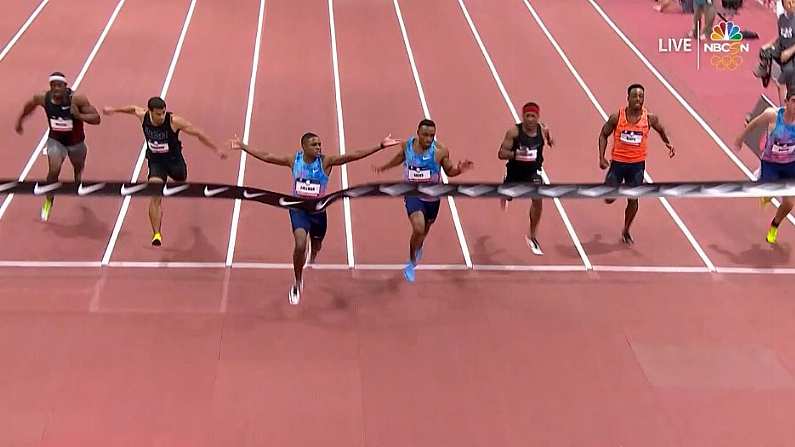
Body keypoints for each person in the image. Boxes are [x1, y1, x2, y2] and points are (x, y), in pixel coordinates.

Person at [229, 132, 401, 305]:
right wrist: (244, 147)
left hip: (318, 212)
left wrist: (379, 146)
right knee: (300, 244)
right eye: (314, 144)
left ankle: (314, 253)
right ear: (303, 147)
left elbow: (352, 156)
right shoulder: (294, 160)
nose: (319, 147)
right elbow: (267, 157)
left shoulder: (326, 162)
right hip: (298, 210)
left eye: (320, 144)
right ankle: (297, 281)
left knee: (317, 245)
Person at [102, 97, 225, 246]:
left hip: (174, 162)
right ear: (150, 112)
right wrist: (114, 110)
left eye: (163, 112)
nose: (162, 116)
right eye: (158, 114)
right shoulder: (143, 116)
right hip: (156, 162)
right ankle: (157, 234)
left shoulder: (173, 121)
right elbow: (133, 109)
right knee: (155, 194)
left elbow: (198, 132)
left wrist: (216, 149)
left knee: (181, 179)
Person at [373, 119, 474, 282]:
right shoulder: (407, 146)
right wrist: (384, 167)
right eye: (425, 135)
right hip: (413, 194)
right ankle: (411, 262)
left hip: (433, 197)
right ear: (418, 133)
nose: (428, 139)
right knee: (418, 229)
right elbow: (400, 158)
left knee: (424, 231)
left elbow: (450, 171)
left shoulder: (440, 151)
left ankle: (418, 246)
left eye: (432, 136)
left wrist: (460, 169)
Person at [15, 72, 101, 221]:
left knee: (78, 167)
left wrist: (79, 116)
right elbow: (29, 106)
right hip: (56, 141)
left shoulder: (77, 99)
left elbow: (96, 118)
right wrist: (20, 121)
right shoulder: (43, 98)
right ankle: (49, 200)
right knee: (54, 169)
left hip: (76, 143)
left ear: (65, 87)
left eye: (59, 85)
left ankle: (77, 179)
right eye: (53, 86)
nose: (56, 89)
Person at [598, 84, 675, 245]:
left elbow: (661, 130)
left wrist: (668, 143)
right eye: (635, 96)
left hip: (637, 166)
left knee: (633, 200)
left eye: (641, 96)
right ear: (628, 98)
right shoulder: (616, 117)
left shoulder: (649, 118)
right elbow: (603, 135)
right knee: (609, 198)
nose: (638, 99)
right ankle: (614, 192)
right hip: (618, 164)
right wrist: (601, 157)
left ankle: (626, 229)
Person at [733, 89, 795, 244]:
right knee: (769, 190)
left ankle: (774, 226)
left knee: (789, 203)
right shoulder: (772, 115)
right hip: (771, 164)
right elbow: (754, 123)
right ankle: (766, 189)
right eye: (794, 100)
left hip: (790, 165)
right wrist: (741, 137)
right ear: (786, 102)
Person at [497, 102, 554, 255]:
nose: (530, 119)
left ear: (537, 117)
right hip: (514, 172)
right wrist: (516, 154)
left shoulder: (542, 129)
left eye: (533, 116)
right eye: (527, 116)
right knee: (508, 196)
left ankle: (533, 234)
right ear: (523, 117)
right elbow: (501, 153)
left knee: (538, 200)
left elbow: (547, 135)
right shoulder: (514, 132)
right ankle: (506, 187)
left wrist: (550, 140)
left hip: (532, 173)